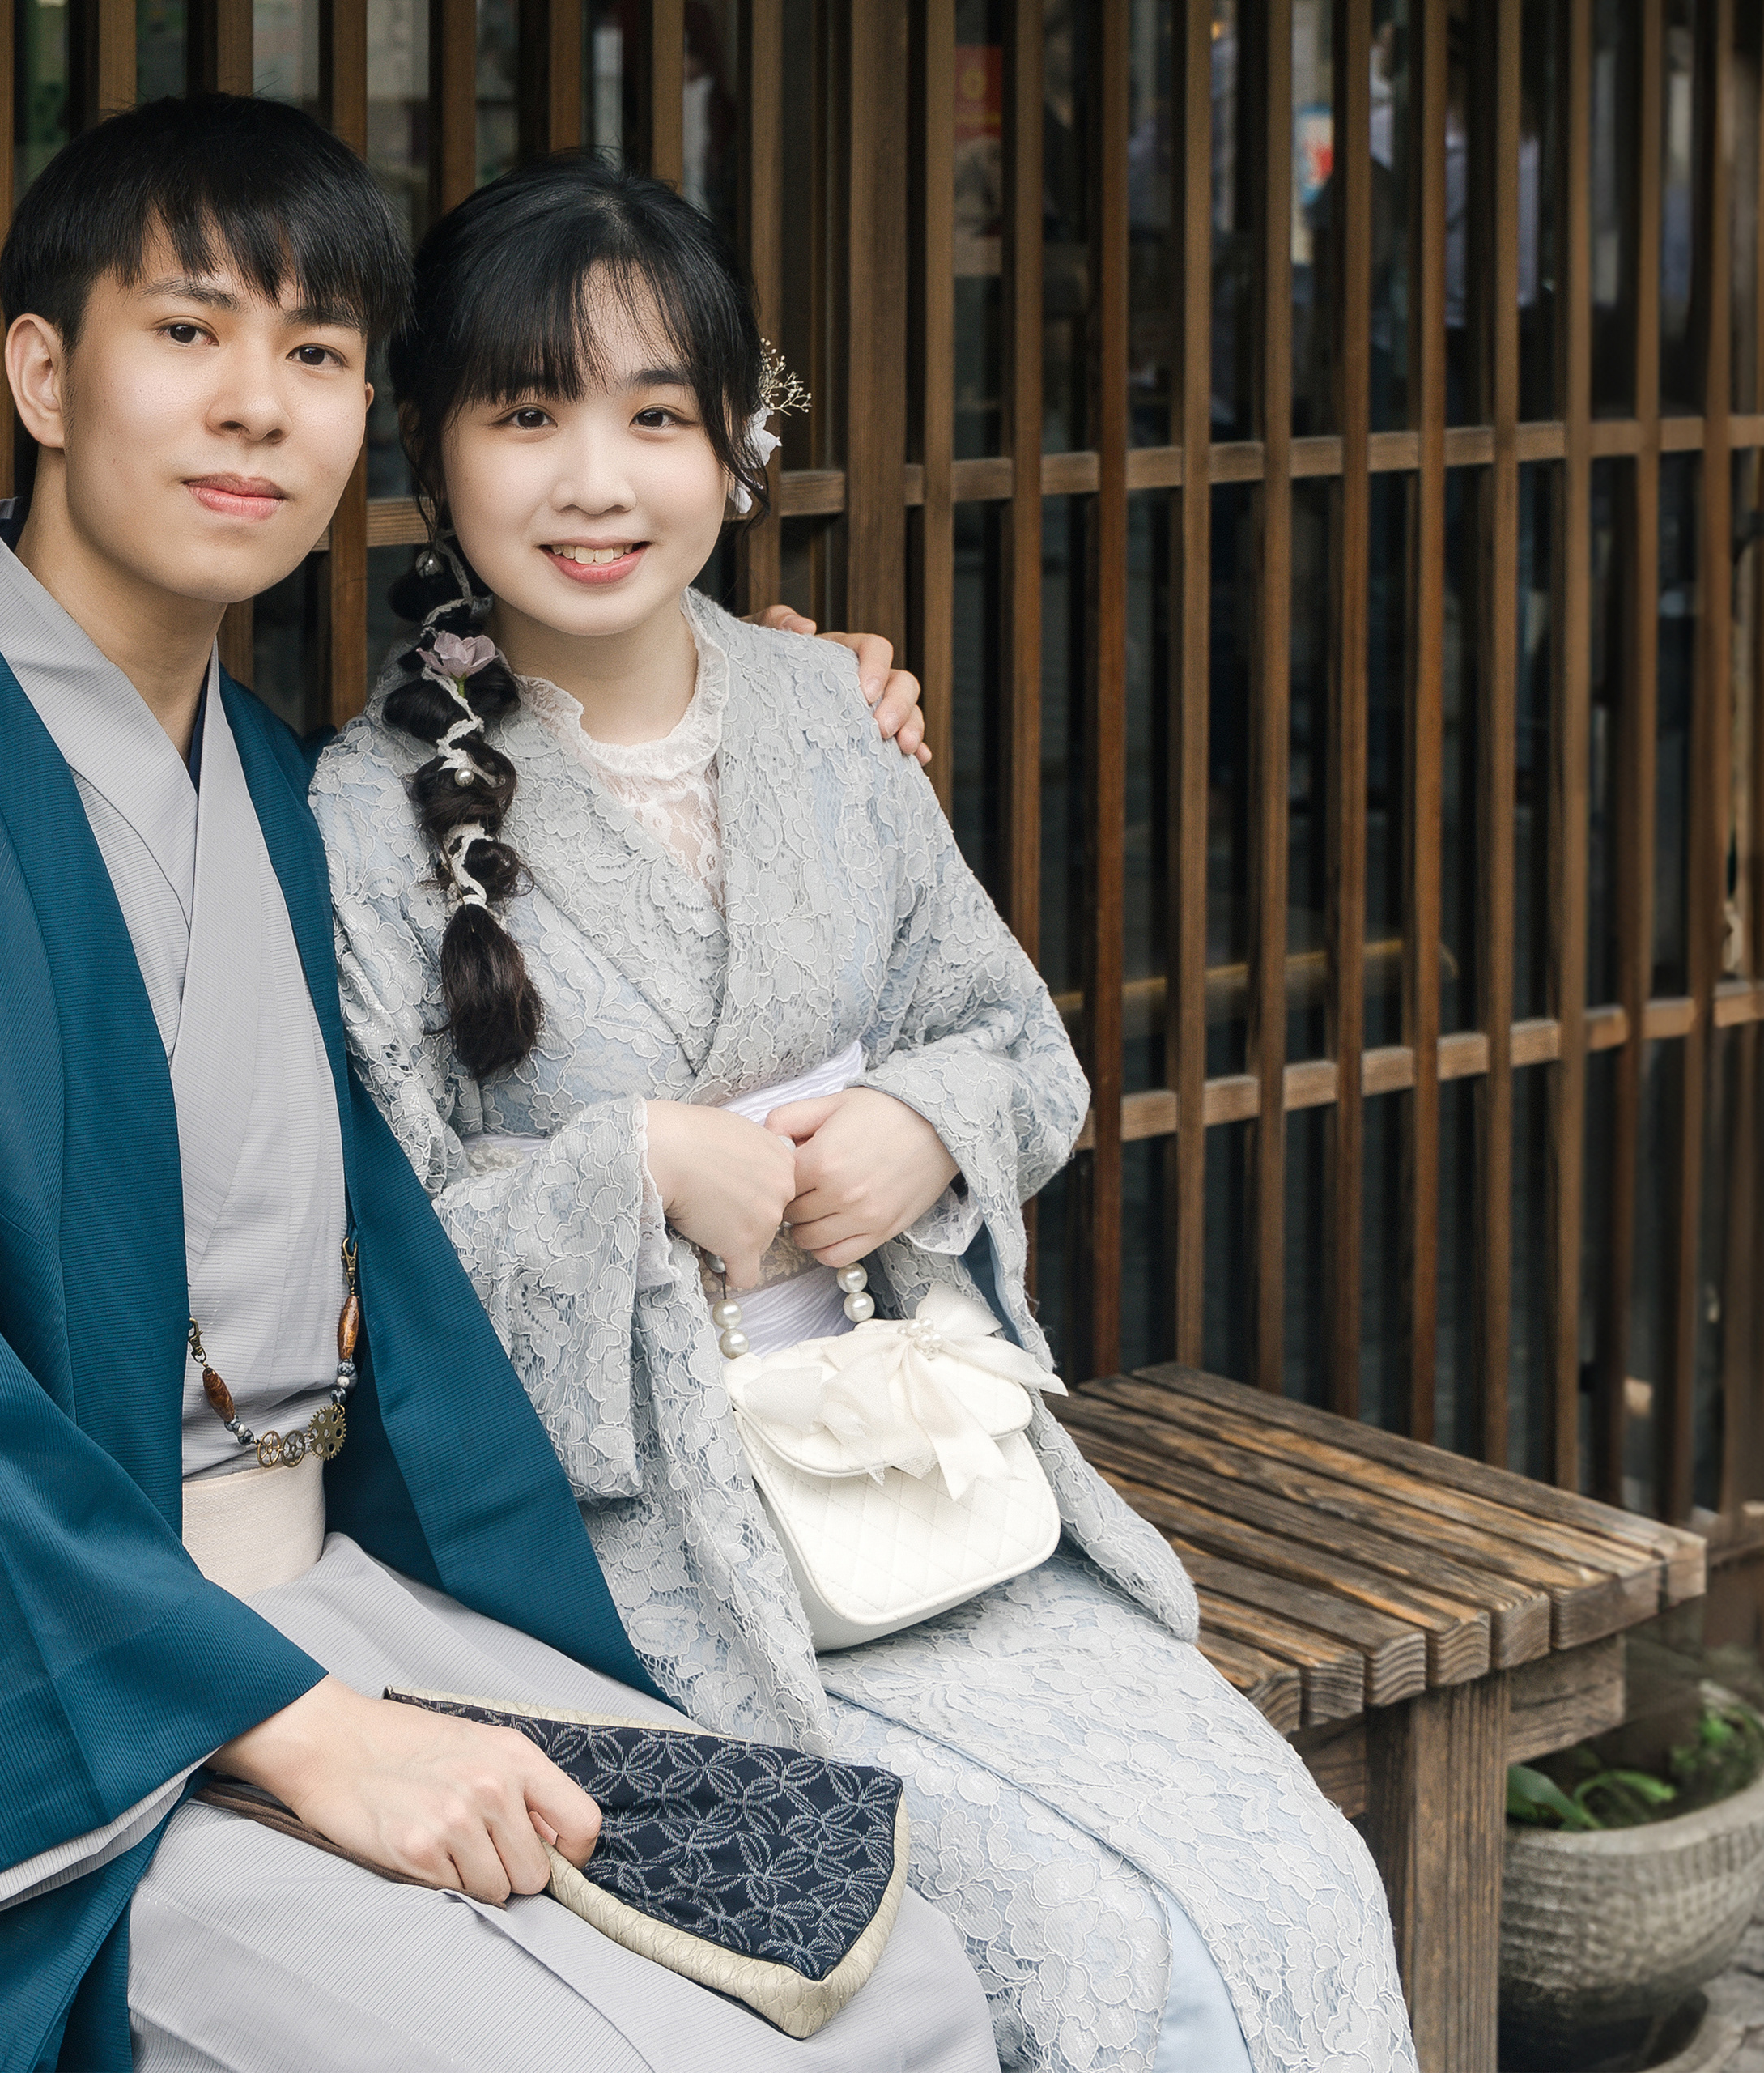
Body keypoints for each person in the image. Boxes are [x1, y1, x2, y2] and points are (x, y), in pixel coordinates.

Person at [0, 94, 996, 2073]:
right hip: (38, 1717)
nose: (259, 403)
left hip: (316, 1595)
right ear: (44, 375)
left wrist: (793, 685)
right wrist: (301, 1733)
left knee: (909, 1991)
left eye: (318, 353)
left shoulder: (267, 776)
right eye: (190, 331)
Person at [311, 155, 1418, 2073]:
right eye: (529, 414)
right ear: (434, 448)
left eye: (658, 416)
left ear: (738, 447)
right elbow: (361, 1263)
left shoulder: (826, 713)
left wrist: (925, 1117)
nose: (597, 481)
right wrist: (629, 1169)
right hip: (627, 1564)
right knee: (1086, 1943)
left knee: (1293, 1881)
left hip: (918, 1487)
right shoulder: (360, 811)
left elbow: (1017, 1038)